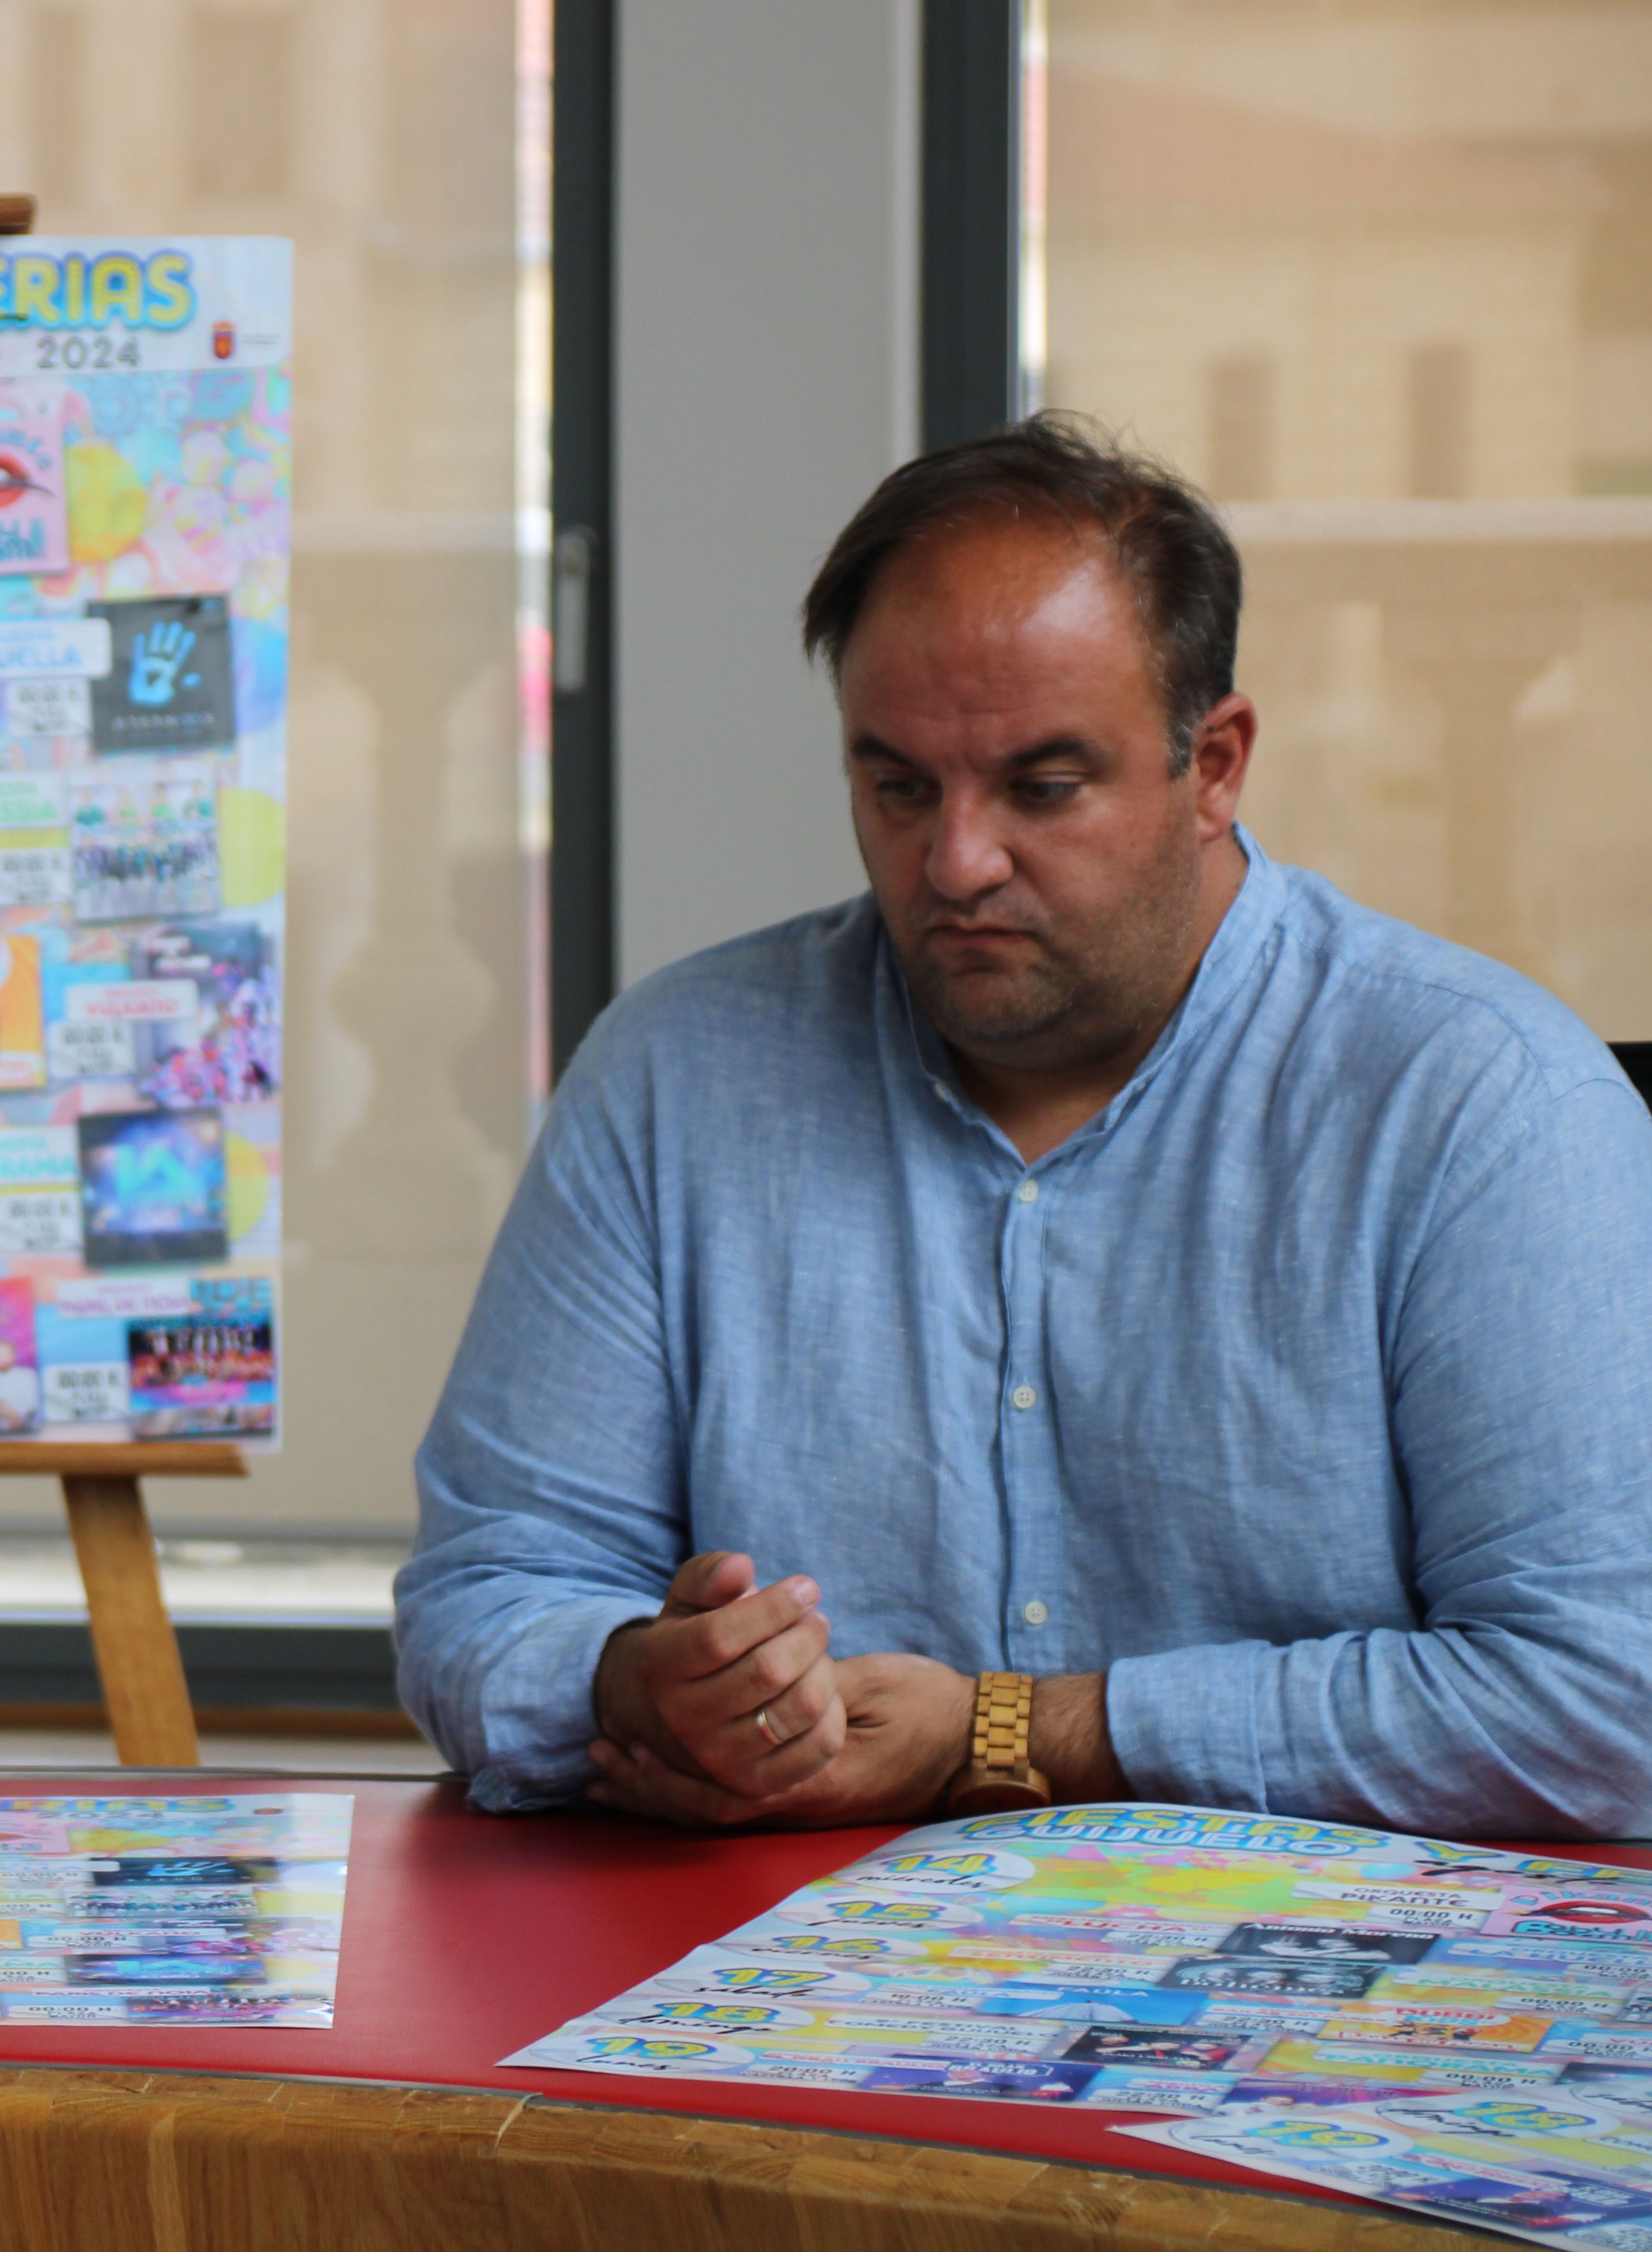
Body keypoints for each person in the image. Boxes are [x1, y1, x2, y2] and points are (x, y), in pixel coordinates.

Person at [393, 416, 1652, 1843]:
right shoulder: (677, 1074)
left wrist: (1012, 1734)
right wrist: (638, 1684)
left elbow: (1611, 1698)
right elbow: (487, 1593)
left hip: (1339, 2022)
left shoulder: (1478, 1101)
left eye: (1042, 788)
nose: (955, 861)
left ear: (1216, 763)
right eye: (897, 785)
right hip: (774, 2003)